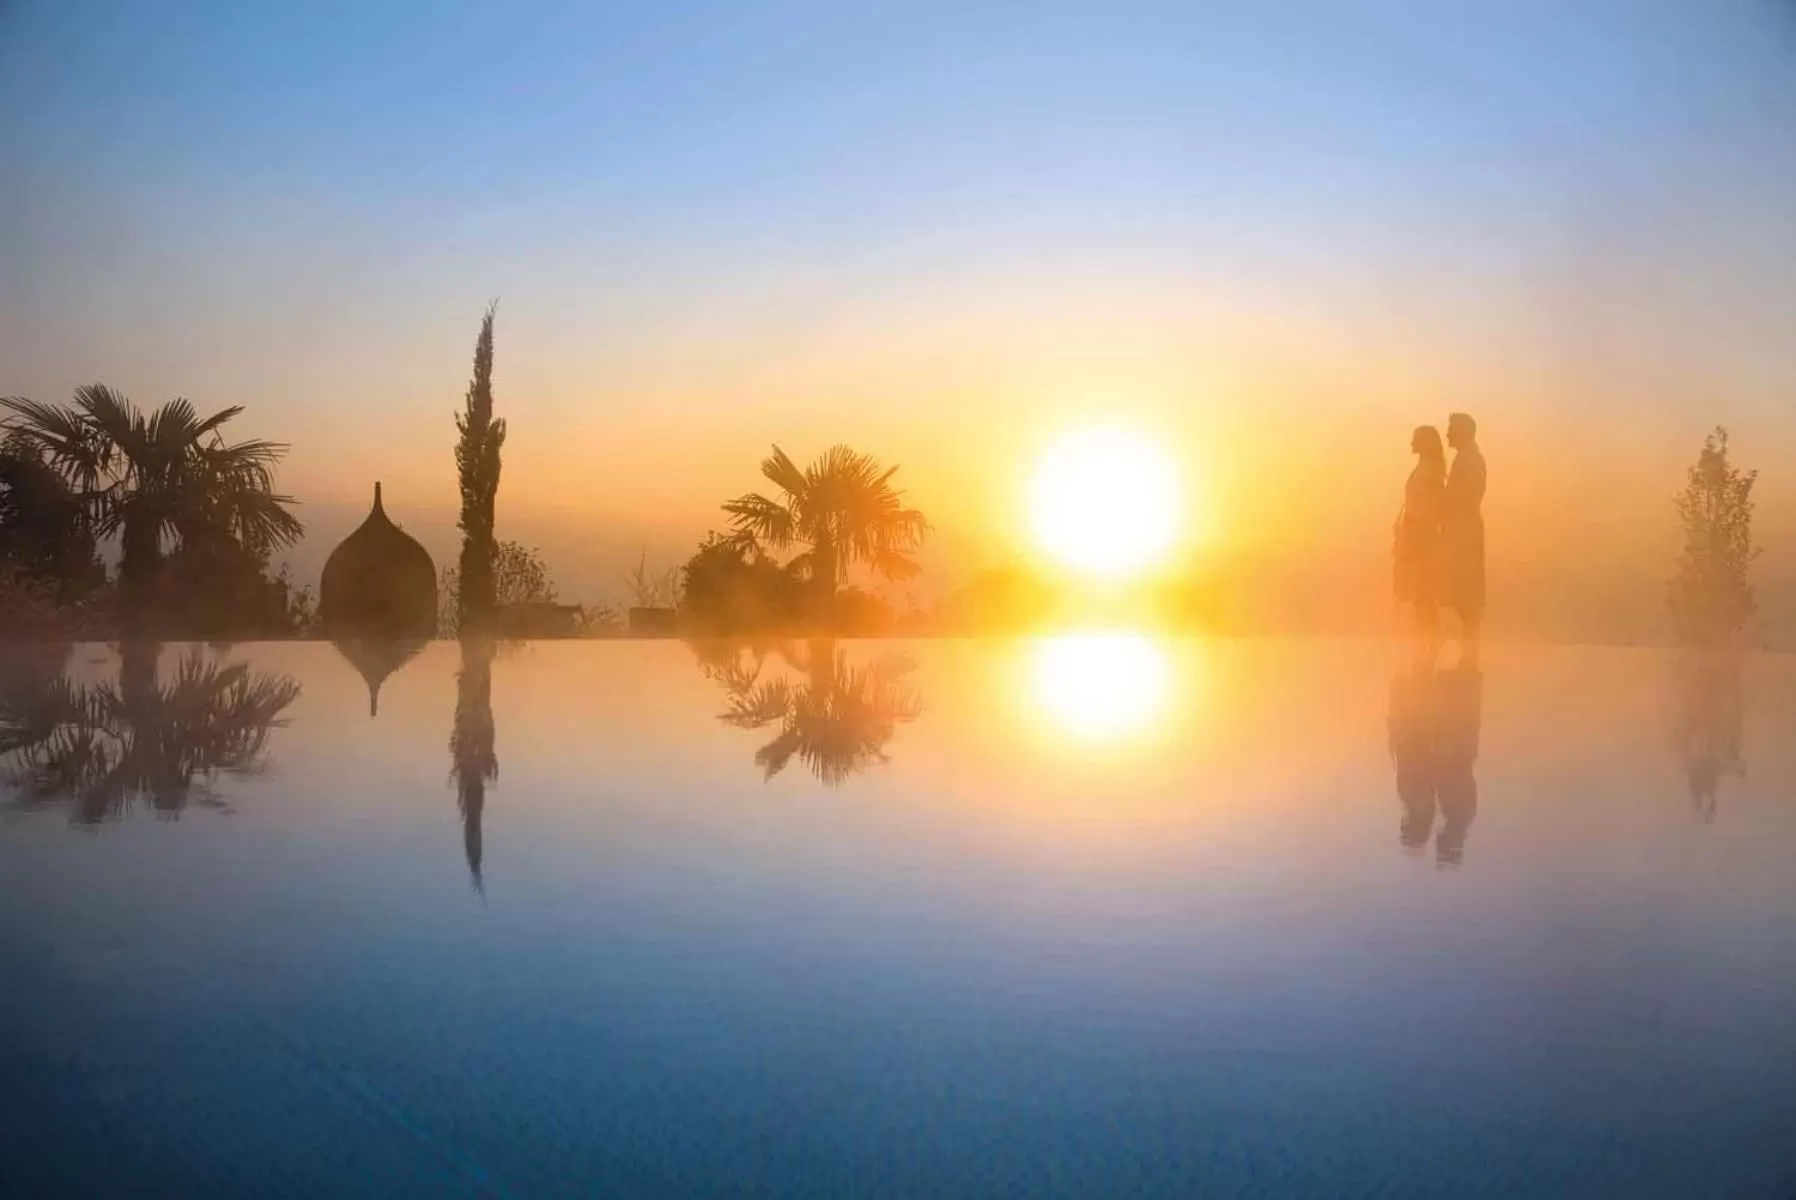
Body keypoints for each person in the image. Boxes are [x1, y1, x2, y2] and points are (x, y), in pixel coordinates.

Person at [1393, 425, 1446, 634]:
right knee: (1420, 590)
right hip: (1417, 533)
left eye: (1415, 439)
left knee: (1423, 589)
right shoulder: (1426, 467)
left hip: (1422, 535)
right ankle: (1424, 637)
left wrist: (1414, 528)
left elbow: (1429, 505)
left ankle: (1428, 636)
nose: (1411, 443)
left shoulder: (1430, 469)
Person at [1444, 412, 1486, 642]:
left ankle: (1471, 648)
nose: (1447, 434)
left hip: (1465, 532)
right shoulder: (1465, 458)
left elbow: (1467, 496)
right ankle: (1469, 649)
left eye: (1452, 429)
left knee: (1466, 591)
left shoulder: (1471, 460)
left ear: (1464, 432)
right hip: (1460, 530)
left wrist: (1441, 497)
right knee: (1460, 590)